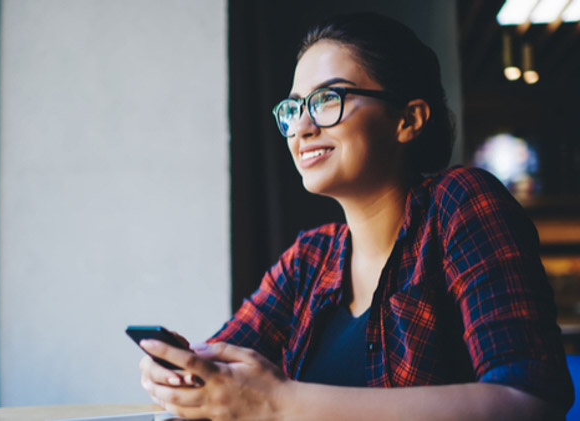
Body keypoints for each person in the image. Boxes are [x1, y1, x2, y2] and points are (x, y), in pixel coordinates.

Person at [138, 12, 574, 420]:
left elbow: (529, 398)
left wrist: (280, 402)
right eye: (294, 108)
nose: (303, 127)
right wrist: (183, 376)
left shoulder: (459, 204)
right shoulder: (310, 259)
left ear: (407, 120)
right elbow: (221, 368)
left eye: (328, 99)